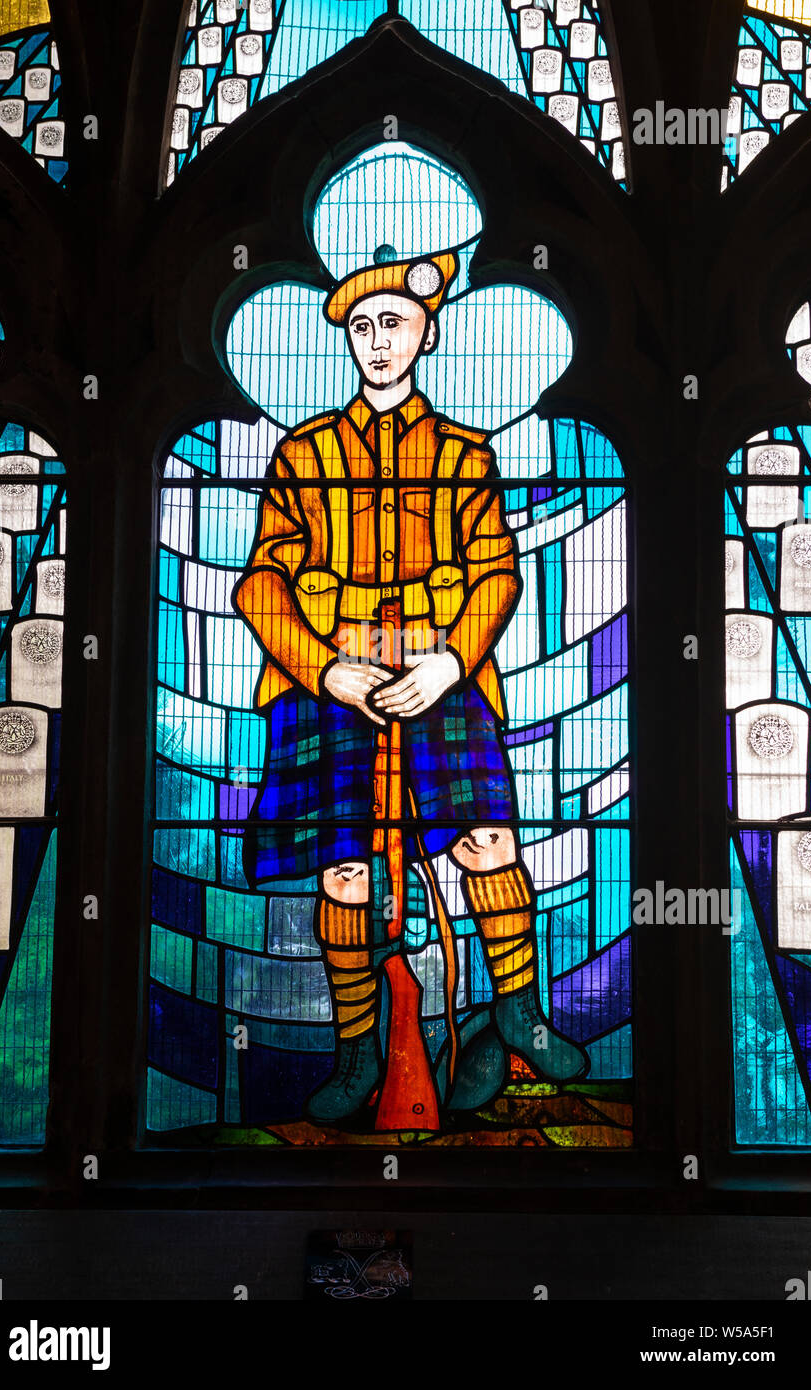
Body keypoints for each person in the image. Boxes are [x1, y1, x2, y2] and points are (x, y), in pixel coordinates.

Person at [233, 249, 588, 1124]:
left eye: (393, 322)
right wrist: (324, 668)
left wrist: (450, 662)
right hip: (331, 686)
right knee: (348, 874)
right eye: (361, 327)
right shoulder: (303, 453)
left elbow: (497, 577)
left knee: (488, 846)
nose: (377, 341)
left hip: (443, 679)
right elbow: (260, 584)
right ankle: (359, 1054)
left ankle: (514, 1017)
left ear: (427, 331)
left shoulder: (463, 454)